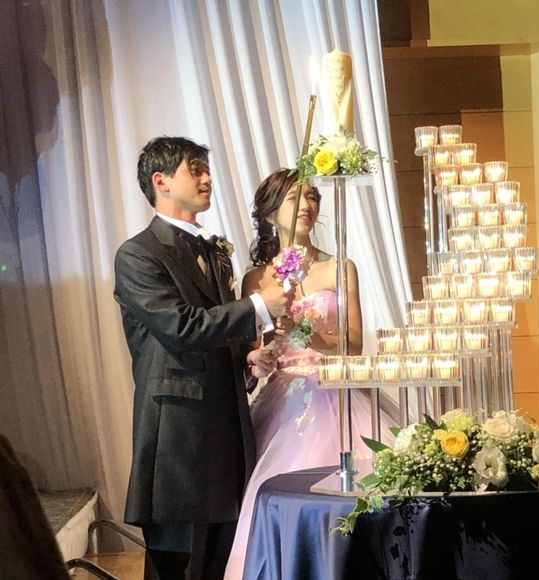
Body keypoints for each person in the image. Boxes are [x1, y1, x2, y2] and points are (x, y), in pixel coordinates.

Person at [114, 137, 294, 580]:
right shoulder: (138, 254)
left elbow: (219, 334)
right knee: (180, 567)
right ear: (161, 181)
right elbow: (181, 326)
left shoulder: (216, 254)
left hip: (227, 431)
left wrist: (249, 360)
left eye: (206, 169)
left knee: (222, 562)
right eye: (194, 169)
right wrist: (258, 306)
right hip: (179, 440)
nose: (207, 178)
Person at [224, 168, 395, 579]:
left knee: (357, 492)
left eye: (313, 197)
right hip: (282, 397)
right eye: (295, 198)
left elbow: (352, 344)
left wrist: (306, 332)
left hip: (336, 391)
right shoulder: (256, 279)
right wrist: (260, 357)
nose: (308, 205)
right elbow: (252, 350)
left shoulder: (339, 267)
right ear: (270, 213)